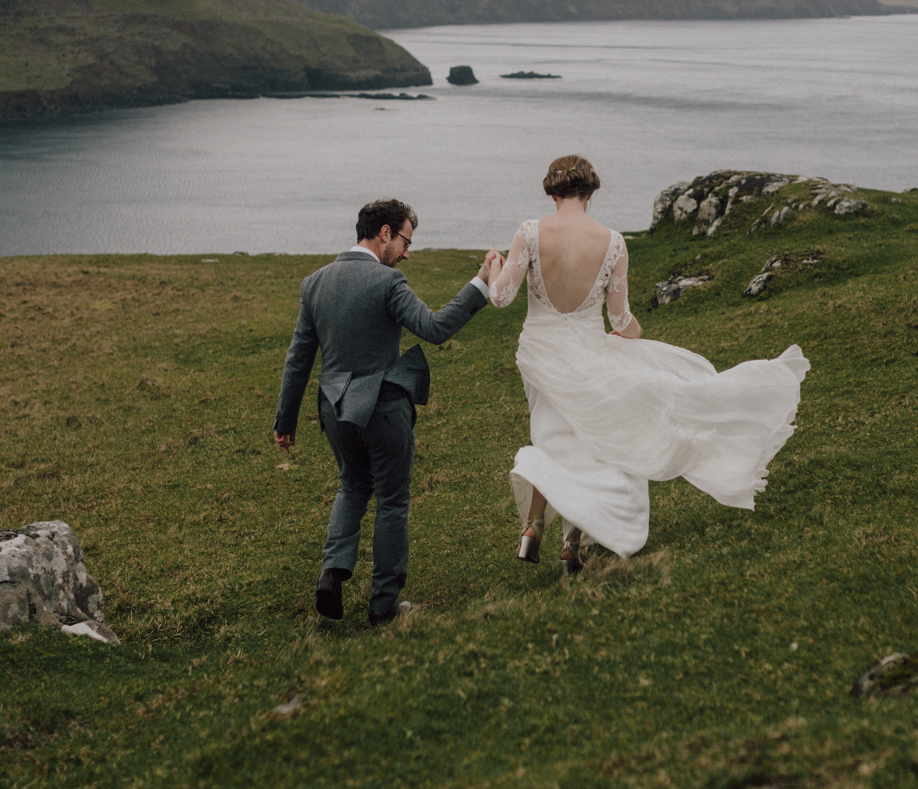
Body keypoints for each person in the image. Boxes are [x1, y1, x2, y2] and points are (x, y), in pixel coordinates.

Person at [484, 155, 809, 572]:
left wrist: (493, 268)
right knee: (593, 441)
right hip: (587, 352)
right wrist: (632, 341)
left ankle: (533, 526)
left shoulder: (530, 233)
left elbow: (501, 297)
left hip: (540, 353)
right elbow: (620, 320)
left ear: (551, 191)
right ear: (591, 192)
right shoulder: (613, 242)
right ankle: (571, 544)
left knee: (552, 438)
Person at [274, 199, 499, 625]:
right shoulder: (388, 284)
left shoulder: (314, 283)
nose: (407, 252)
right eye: (405, 241)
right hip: (383, 408)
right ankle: (383, 606)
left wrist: (285, 422)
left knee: (353, 487)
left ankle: (331, 573)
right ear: (384, 233)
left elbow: (298, 358)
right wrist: (482, 282)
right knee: (392, 501)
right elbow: (434, 329)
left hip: (334, 411)